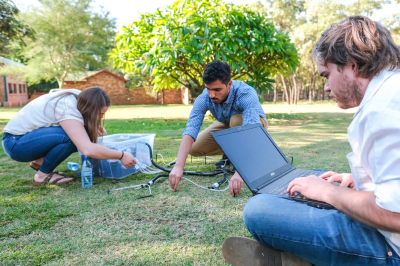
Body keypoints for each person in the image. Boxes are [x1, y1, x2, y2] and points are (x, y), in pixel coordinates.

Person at [222, 16, 400, 266]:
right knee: (310, 180)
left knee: (258, 210)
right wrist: (360, 180)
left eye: (326, 75)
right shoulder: (391, 91)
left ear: (351, 66)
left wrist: (330, 193)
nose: (326, 87)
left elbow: (395, 215)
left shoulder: (382, 111)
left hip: (391, 247)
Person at [169, 60, 269, 197]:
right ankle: (234, 154)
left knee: (236, 121)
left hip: (255, 126)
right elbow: (191, 128)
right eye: (208, 89)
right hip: (228, 125)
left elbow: (250, 130)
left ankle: (254, 153)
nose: (212, 95)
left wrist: (241, 172)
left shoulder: (245, 93)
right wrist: (178, 166)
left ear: (229, 84)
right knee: (194, 148)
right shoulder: (204, 97)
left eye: (217, 90)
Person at [2, 86, 137, 186]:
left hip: (24, 139)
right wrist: (121, 155)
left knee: (77, 135)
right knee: (71, 138)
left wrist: (93, 125)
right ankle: (41, 177)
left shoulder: (79, 97)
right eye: (100, 113)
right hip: (16, 144)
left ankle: (40, 162)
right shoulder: (67, 108)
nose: (101, 117)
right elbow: (87, 149)